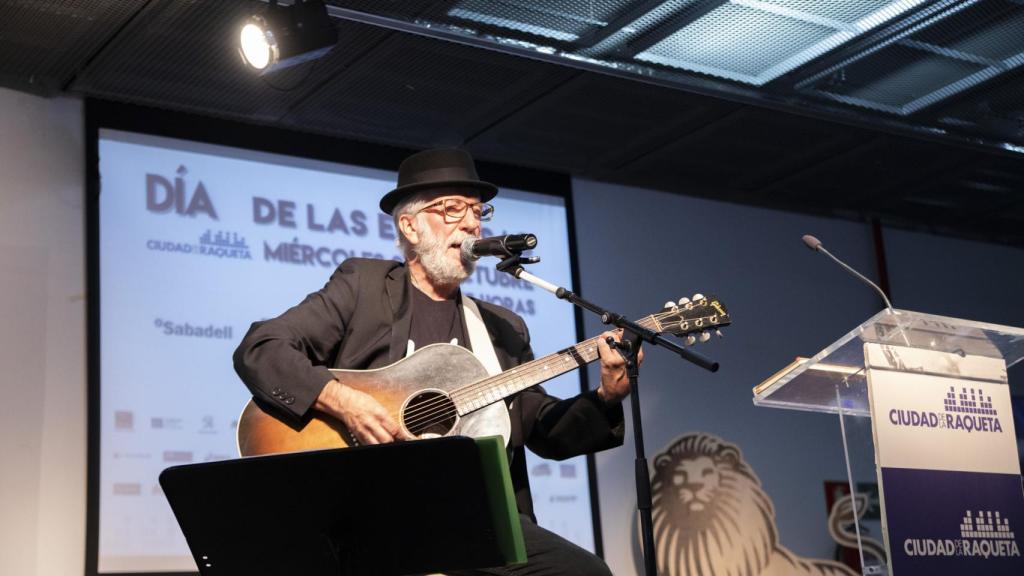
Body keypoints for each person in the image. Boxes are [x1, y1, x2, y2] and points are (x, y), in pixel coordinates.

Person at [233, 148, 638, 576]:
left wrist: (606, 397)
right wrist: (345, 403)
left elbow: (541, 429)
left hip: (471, 517)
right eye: (451, 209)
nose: (470, 223)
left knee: (585, 572)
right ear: (409, 225)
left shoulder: (504, 326)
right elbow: (262, 346)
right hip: (369, 509)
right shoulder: (364, 287)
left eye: (478, 211)